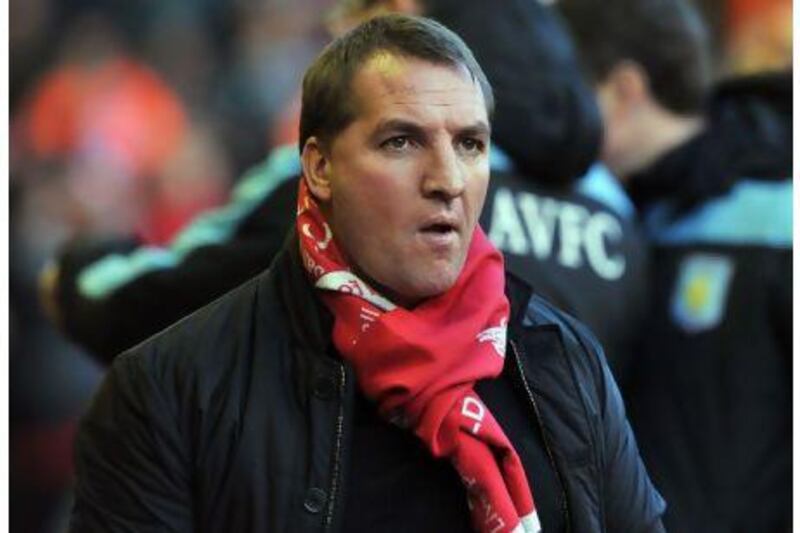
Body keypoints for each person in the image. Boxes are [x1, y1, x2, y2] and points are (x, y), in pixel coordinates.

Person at [69, 14, 665, 532]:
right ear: (320, 167)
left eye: (470, 145)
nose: (448, 180)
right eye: (402, 142)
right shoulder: (168, 391)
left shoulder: (565, 362)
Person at [43, 0, 647, 381]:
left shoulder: (328, 178)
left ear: (395, 13)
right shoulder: (616, 213)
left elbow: (145, 304)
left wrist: (68, 278)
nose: (333, 37)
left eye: (347, 16)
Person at [558, 0, 792, 530]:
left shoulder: (777, 208)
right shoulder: (625, 212)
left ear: (624, 91)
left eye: (570, 95)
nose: (557, 117)